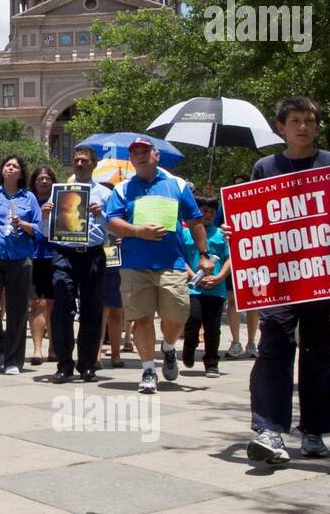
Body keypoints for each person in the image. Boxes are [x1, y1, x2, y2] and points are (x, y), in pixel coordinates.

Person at [242, 96, 330, 464]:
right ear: (281, 127)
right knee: (274, 346)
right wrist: (237, 228)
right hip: (278, 278)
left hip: (323, 277)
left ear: (316, 125)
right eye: (294, 120)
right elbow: (250, 217)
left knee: (320, 352)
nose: (302, 127)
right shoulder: (265, 168)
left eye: (309, 120)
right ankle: (270, 429)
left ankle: (314, 431)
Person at [103, 138, 214, 395]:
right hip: (134, 264)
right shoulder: (122, 189)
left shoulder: (177, 184)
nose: (140, 157)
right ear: (131, 160)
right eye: (135, 154)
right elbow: (112, 222)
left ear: (156, 156)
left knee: (177, 316)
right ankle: (148, 369)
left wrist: (204, 255)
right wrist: (137, 231)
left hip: (171, 263)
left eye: (145, 152)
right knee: (141, 319)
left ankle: (168, 347)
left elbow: (195, 221)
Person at [41, 146, 111, 383]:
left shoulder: (104, 194)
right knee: (62, 308)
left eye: (84, 160)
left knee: (92, 310)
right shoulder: (58, 192)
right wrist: (45, 216)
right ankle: (64, 365)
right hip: (64, 254)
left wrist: (102, 214)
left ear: (94, 164)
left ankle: (88, 365)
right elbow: (46, 231)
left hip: (92, 254)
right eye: (76, 160)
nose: (79, 164)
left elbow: (113, 229)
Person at [0, 156, 40, 375]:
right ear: (2, 170)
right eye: (7, 165)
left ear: (21, 173)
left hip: (20, 258)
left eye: (15, 166)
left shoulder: (29, 198)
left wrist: (22, 224)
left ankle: (13, 360)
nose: (10, 168)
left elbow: (39, 228)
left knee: (17, 311)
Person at [178, 195, 231, 377]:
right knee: (193, 320)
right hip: (193, 287)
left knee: (213, 327)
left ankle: (211, 362)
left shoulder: (221, 235)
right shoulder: (186, 233)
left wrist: (218, 277)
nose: (207, 214)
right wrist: (194, 277)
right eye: (203, 211)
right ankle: (189, 347)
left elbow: (230, 259)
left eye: (211, 211)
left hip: (217, 289)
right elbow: (181, 259)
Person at [222, 175, 260, 358]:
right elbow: (215, 226)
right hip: (234, 258)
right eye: (236, 185)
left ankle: (252, 342)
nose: (240, 188)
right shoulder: (225, 205)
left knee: (254, 301)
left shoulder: (259, 203)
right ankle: (236, 341)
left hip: (255, 258)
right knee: (233, 301)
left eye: (243, 185)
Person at [28, 164, 58, 366]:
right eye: (40, 178)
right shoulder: (28, 201)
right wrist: (40, 214)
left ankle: (54, 348)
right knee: (36, 304)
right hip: (33, 256)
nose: (44, 181)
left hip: (55, 256)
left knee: (53, 305)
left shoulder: (59, 200)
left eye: (48, 178)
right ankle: (37, 349)